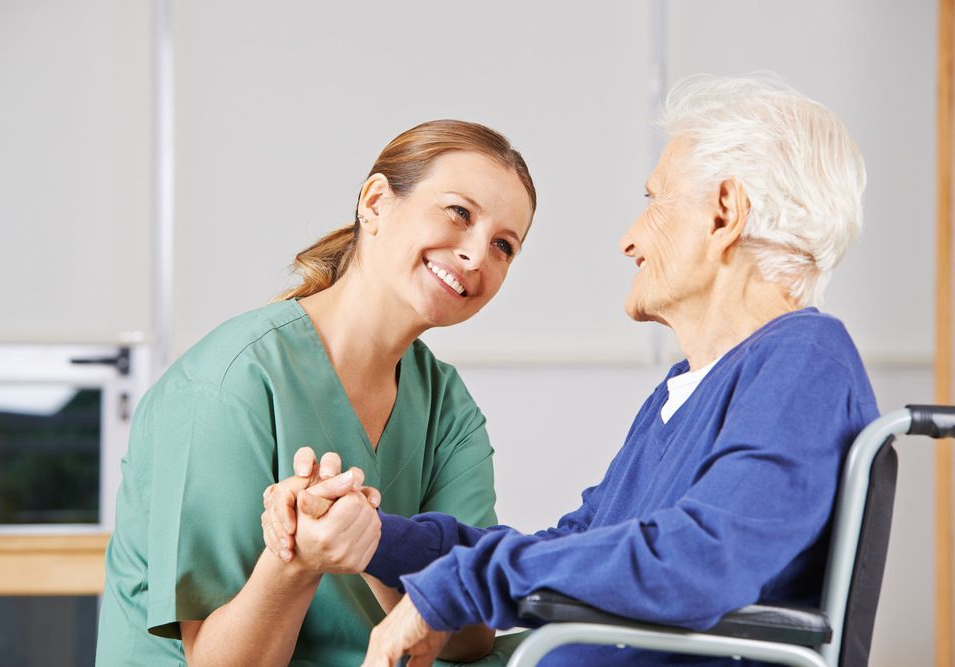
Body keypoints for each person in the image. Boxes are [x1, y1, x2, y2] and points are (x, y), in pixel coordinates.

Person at [266, 74, 879, 667]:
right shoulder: (690, 388)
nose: (629, 241)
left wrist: (458, 587)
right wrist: (378, 538)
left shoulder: (804, 362)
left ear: (724, 213)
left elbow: (704, 560)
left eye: (654, 200)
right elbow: (574, 546)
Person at [95, 119, 537, 666]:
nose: (476, 255)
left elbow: (471, 638)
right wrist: (299, 559)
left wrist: (378, 545)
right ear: (375, 203)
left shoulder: (445, 405)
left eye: (503, 246)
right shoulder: (228, 384)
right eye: (459, 213)